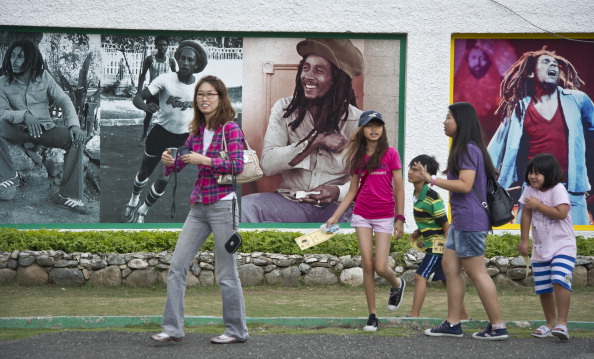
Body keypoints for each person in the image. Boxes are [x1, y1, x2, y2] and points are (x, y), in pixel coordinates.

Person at [150, 75, 248, 344]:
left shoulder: (230, 129)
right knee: (177, 266)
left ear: (220, 98)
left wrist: (203, 159)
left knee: (226, 272)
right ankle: (173, 328)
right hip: (199, 207)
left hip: (223, 206)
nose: (204, 99)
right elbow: (179, 164)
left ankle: (237, 330)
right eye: (200, 94)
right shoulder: (195, 130)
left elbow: (238, 166)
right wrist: (169, 160)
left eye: (210, 94)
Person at [241, 38, 364, 223]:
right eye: (306, 68)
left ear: (337, 79)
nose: (308, 76)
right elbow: (267, 164)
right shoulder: (284, 109)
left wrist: (338, 191)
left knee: (367, 218)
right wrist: (315, 141)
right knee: (244, 207)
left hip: (337, 208)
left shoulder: (358, 121)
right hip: (291, 202)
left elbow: (372, 178)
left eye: (319, 70)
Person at [416, 102, 508, 340]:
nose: (444, 122)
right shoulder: (465, 148)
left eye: (448, 117)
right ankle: (453, 323)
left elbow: (465, 185)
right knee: (450, 268)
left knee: (477, 273)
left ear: (461, 122)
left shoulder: (467, 149)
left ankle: (497, 326)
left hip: (469, 220)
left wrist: (431, 179)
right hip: (461, 221)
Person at [488, 47, 594, 225]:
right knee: (525, 244)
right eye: (545, 61)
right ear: (530, 73)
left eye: (555, 63)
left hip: (572, 190)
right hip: (532, 190)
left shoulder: (578, 100)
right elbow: (494, 149)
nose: (553, 64)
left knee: (579, 243)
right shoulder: (519, 108)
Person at [325, 110, 406, 332]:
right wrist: (334, 216)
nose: (374, 129)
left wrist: (400, 218)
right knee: (367, 265)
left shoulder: (391, 154)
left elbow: (399, 188)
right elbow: (352, 191)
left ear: (383, 128)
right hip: (361, 215)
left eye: (378, 125)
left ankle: (397, 284)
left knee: (381, 266)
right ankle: (372, 315)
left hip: (384, 216)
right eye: (369, 125)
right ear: (362, 129)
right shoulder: (357, 158)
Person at [120, 39, 208, 223]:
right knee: (144, 173)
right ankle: (132, 201)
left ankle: (143, 210)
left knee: (164, 179)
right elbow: (138, 98)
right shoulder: (165, 79)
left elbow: (207, 112)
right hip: (159, 134)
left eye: (190, 60)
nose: (185, 63)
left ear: (196, 64)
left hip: (180, 140)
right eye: (182, 58)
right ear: (177, 59)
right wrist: (146, 107)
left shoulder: (201, 87)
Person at [0, 39, 88, 213]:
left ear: (31, 59)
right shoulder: (3, 81)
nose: (14, 60)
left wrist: (74, 125)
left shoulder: (44, 77)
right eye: (12, 56)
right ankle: (9, 177)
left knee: (75, 140)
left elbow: (63, 99)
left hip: (44, 130)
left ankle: (68, 195)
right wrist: (24, 116)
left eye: (20, 57)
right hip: (17, 130)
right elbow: (1, 111)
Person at [517, 153, 576, 341]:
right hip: (541, 248)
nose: (533, 176)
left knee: (560, 279)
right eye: (531, 173)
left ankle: (562, 324)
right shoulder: (528, 190)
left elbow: (561, 213)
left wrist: (538, 205)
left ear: (549, 174)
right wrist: (524, 240)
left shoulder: (557, 189)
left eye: (538, 173)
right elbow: (525, 214)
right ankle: (550, 324)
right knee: (543, 288)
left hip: (563, 246)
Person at [406, 154, 470, 320]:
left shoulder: (432, 196)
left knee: (420, 277)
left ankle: (414, 316)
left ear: (426, 174)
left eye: (415, 170)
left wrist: (447, 247)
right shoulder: (416, 195)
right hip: (432, 244)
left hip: (437, 246)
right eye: (410, 168)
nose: (410, 172)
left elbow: (444, 223)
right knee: (447, 281)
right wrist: (418, 231)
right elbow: (430, 220)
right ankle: (463, 316)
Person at [137, 36, 177, 146]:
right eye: (160, 45)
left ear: (167, 46)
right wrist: (139, 91)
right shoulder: (150, 59)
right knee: (149, 114)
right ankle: (144, 135)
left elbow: (175, 77)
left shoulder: (171, 61)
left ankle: (167, 138)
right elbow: (143, 75)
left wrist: (176, 91)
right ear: (156, 46)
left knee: (168, 114)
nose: (162, 47)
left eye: (165, 45)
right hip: (152, 91)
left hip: (165, 92)